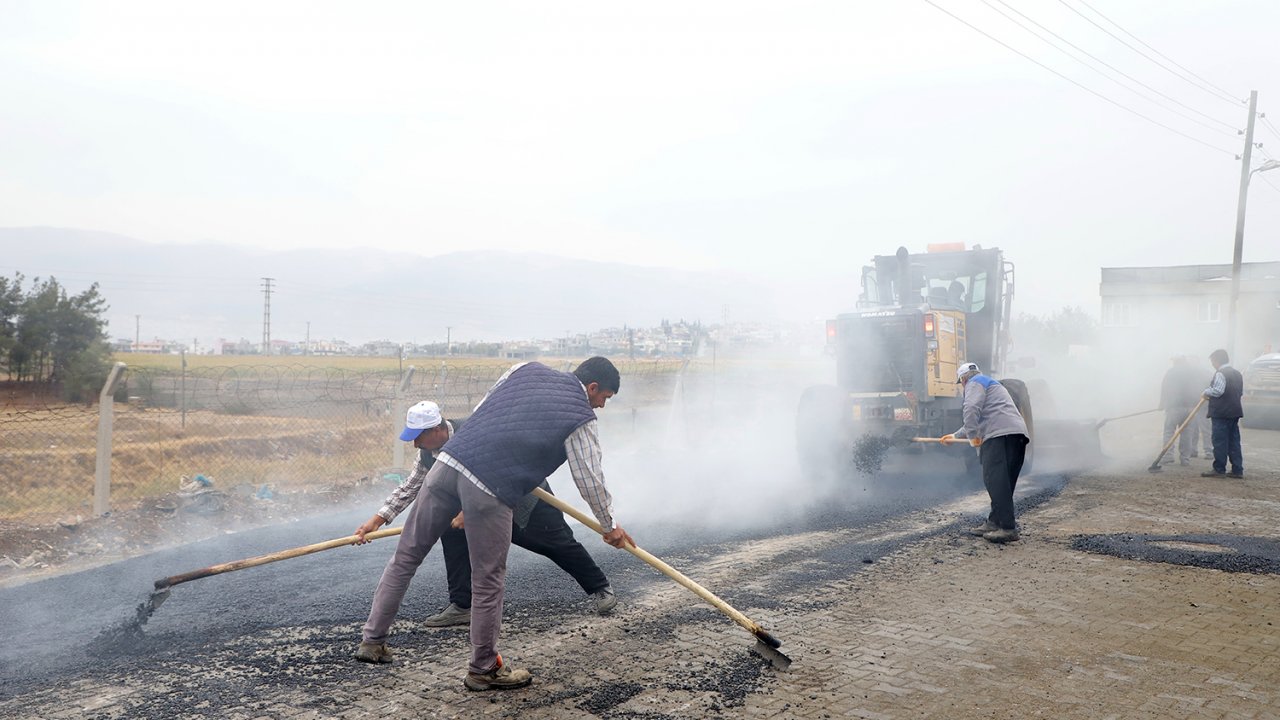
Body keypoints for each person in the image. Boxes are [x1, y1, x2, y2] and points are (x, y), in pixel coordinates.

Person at [354, 357, 633, 692]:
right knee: (488, 580)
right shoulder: (581, 417)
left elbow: (484, 412)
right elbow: (588, 478)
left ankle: (372, 641)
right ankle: (483, 668)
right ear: (592, 388)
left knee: (404, 559)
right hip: (491, 486)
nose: (601, 405)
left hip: (447, 465)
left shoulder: (524, 368)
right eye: (604, 397)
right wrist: (609, 525)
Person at [352, 401, 618, 628]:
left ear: (437, 429)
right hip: (473, 505)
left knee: (557, 543)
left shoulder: (475, 431)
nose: (414, 444)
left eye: (418, 437)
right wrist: (377, 520)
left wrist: (469, 512)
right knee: (450, 529)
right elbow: (412, 486)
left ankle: (600, 588)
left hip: (523, 498)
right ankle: (462, 605)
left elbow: (502, 473)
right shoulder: (428, 453)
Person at [942, 362, 1030, 544]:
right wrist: (955, 435)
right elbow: (978, 417)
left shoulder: (974, 383)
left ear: (963, 380)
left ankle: (1007, 528)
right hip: (1016, 435)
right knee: (1002, 481)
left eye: (961, 384)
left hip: (999, 435)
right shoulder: (989, 383)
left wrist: (974, 438)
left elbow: (971, 409)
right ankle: (995, 521)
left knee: (995, 479)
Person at [1201, 349, 1245, 479]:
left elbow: (1218, 391)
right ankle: (1237, 470)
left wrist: (1206, 392)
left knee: (1220, 441)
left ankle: (1219, 469)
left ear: (1217, 360)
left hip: (1221, 413)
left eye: (1212, 361)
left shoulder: (1221, 373)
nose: (1212, 364)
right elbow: (1240, 392)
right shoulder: (1237, 374)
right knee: (1234, 441)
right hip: (1235, 412)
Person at [1157, 356, 1201, 466]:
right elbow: (1198, 388)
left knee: (1169, 431)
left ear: (1176, 362)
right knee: (1187, 433)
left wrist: (1162, 404)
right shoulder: (1193, 373)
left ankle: (1168, 456)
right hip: (1191, 408)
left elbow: (1165, 388)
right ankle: (1185, 459)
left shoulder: (1171, 372)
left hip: (1174, 407)